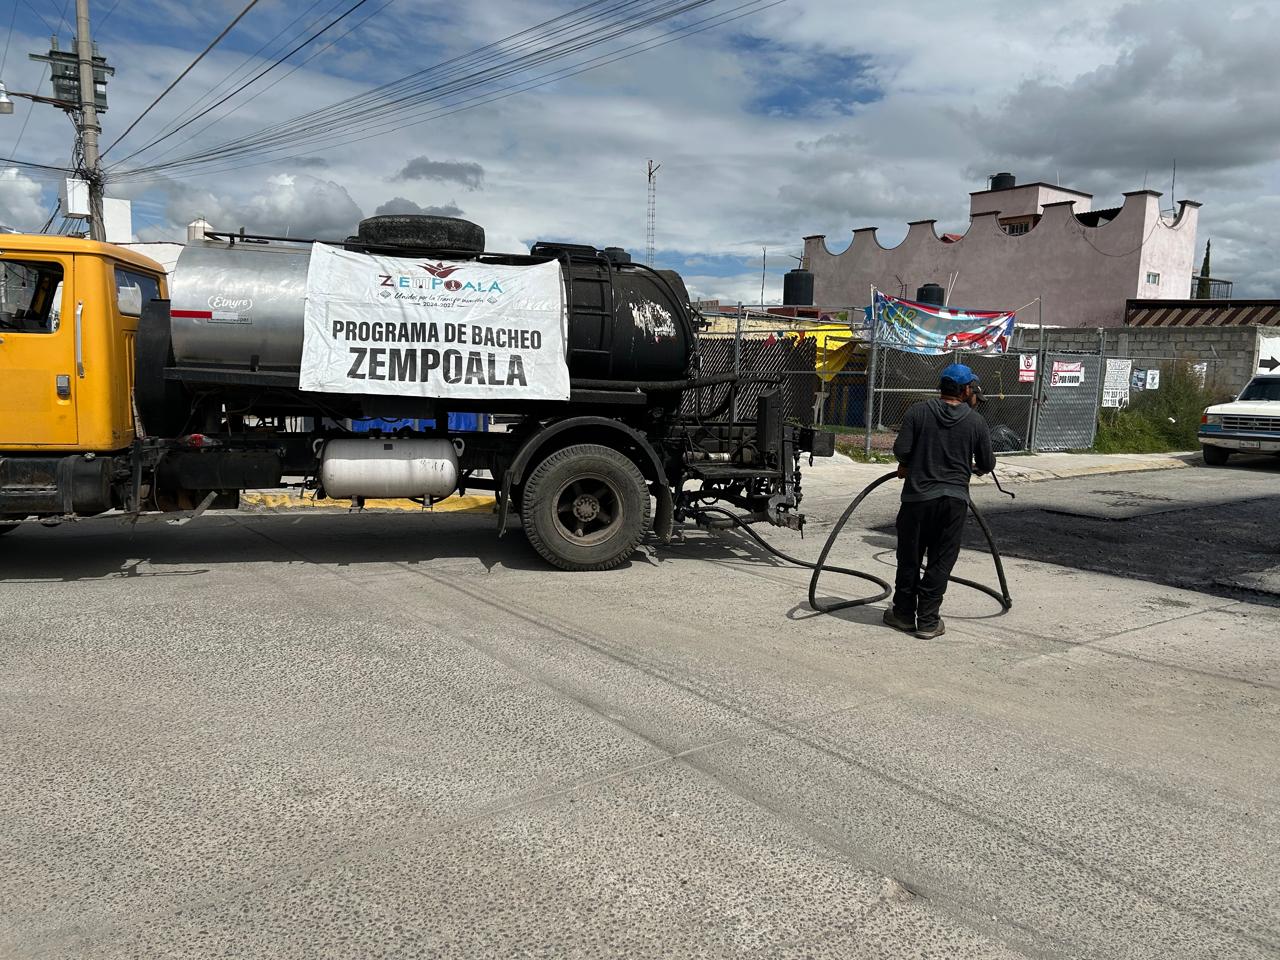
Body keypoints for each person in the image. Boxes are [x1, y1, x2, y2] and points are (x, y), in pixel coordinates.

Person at [883, 362, 995, 639]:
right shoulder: (975, 421)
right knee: (941, 561)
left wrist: (907, 464)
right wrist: (974, 466)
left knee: (909, 558)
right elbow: (987, 462)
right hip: (953, 502)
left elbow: (901, 449)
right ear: (967, 389)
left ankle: (904, 615)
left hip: (917, 500)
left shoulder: (918, 412)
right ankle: (929, 622)